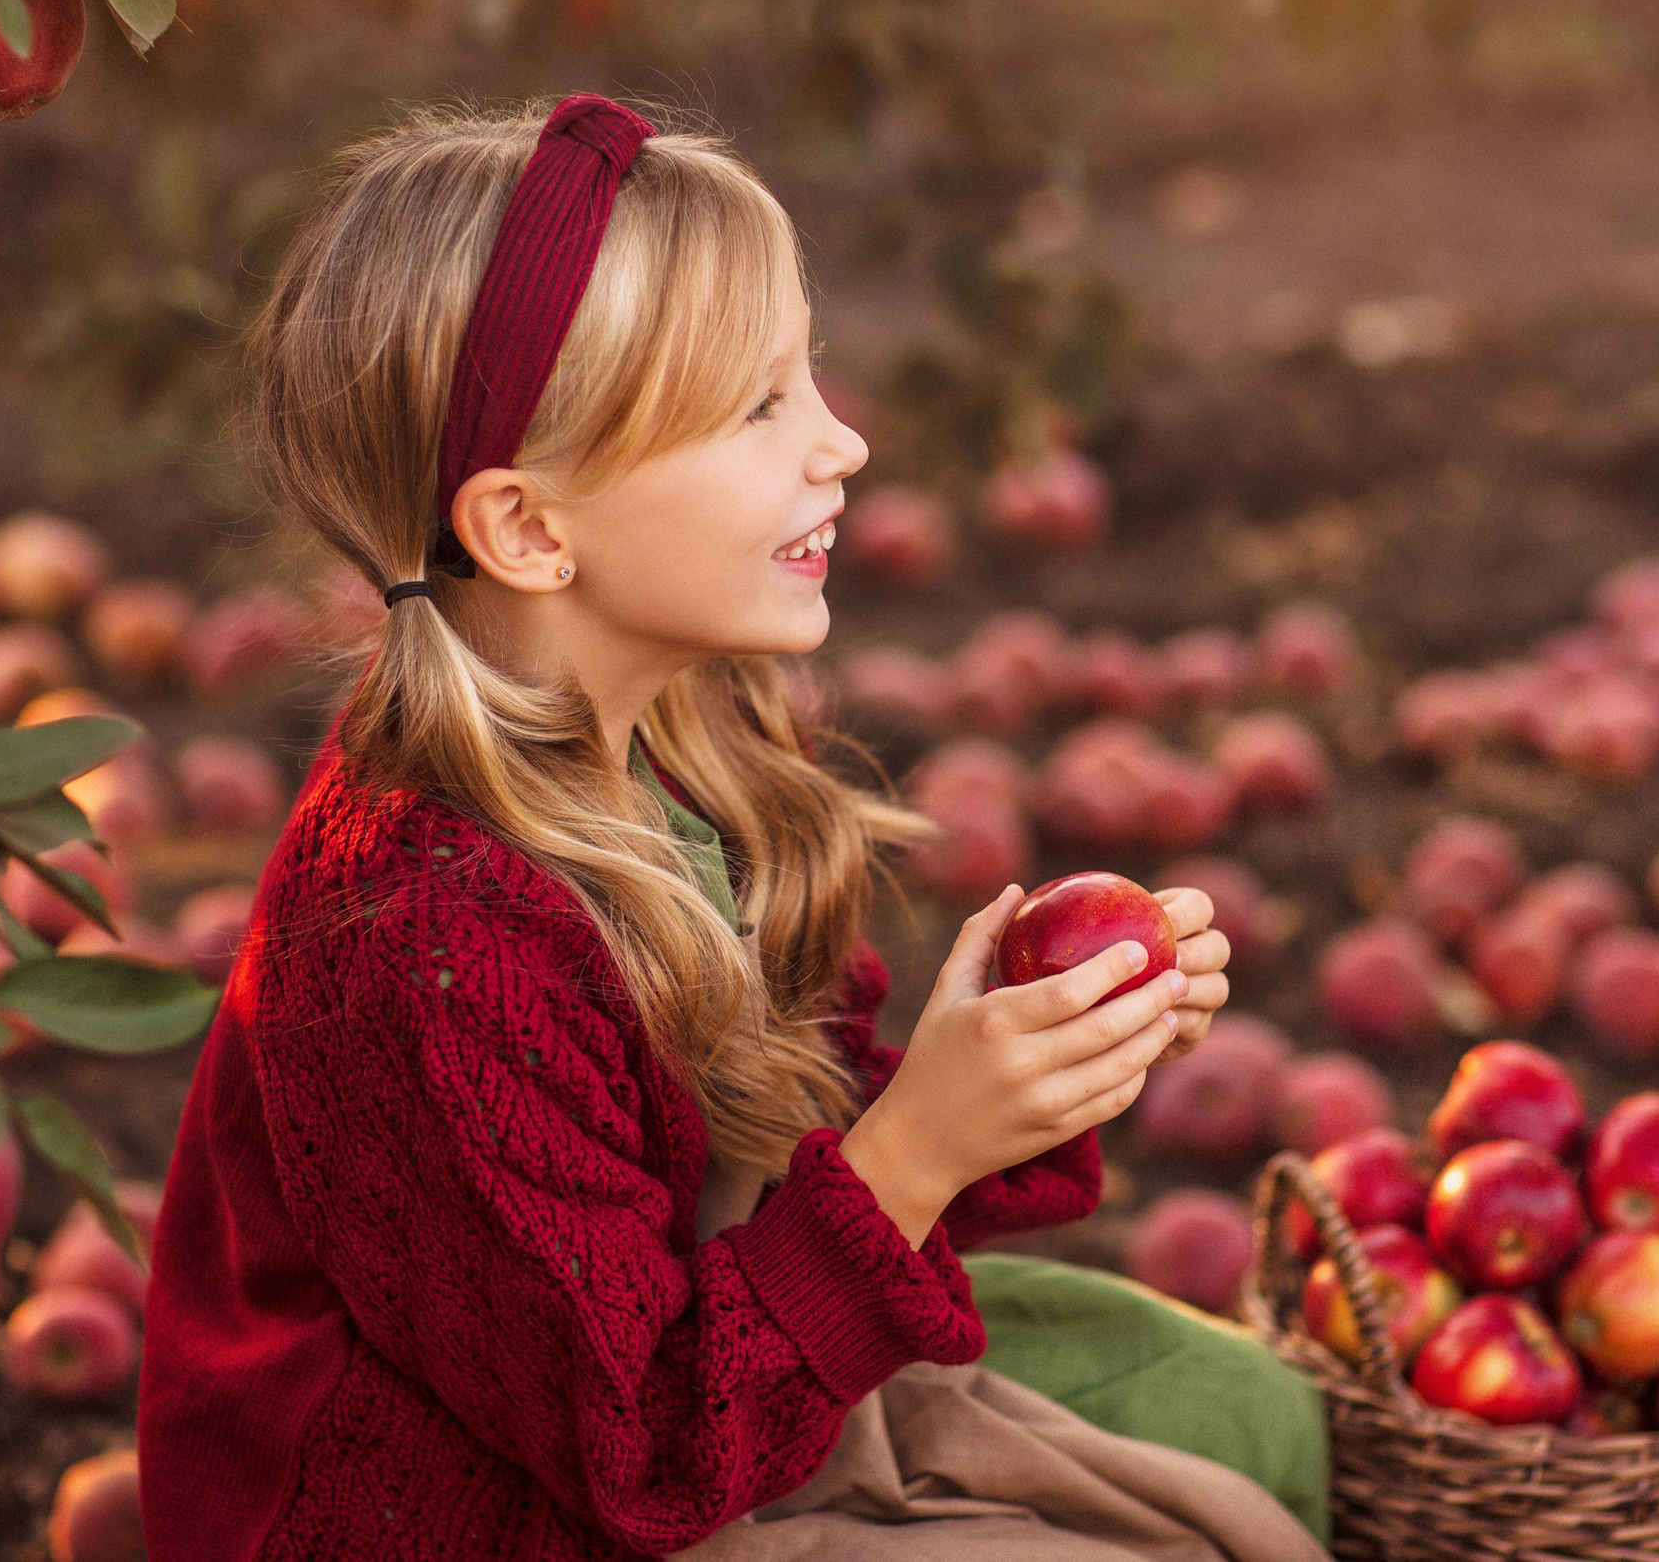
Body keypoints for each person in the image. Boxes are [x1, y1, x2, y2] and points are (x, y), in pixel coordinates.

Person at [136, 92, 1328, 1562]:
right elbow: (644, 1446)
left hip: (713, 1358)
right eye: (759, 407)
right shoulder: (424, 935)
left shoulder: (691, 729)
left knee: (1248, 1415)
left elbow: (784, 1123)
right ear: (528, 530)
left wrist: (1035, 1060)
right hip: (518, 1509)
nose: (844, 444)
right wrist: (914, 1150)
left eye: (809, 374)